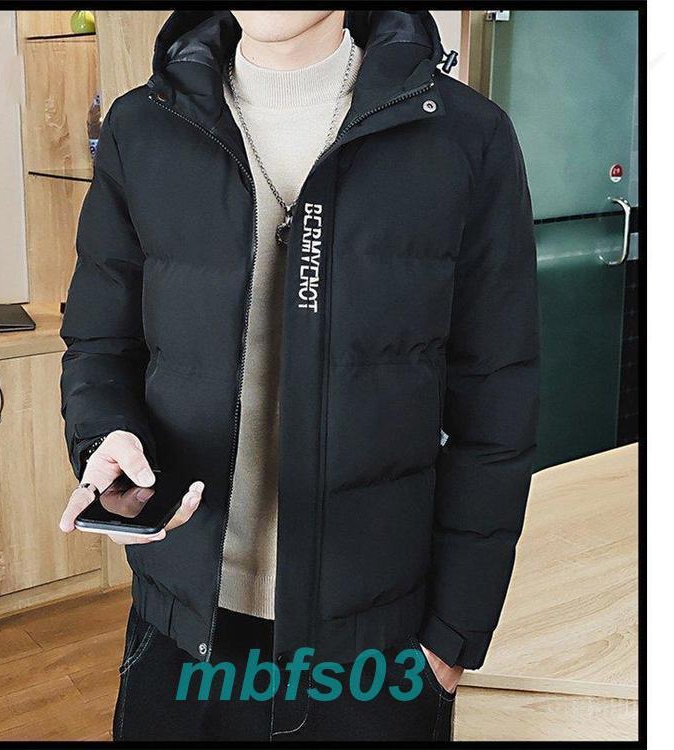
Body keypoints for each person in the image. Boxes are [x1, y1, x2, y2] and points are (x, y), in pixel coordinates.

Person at [59, 9, 539, 742]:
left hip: (377, 645)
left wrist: (453, 637)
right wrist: (106, 433)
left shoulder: (466, 137)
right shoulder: (143, 126)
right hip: (183, 627)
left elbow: (498, 401)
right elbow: (100, 341)